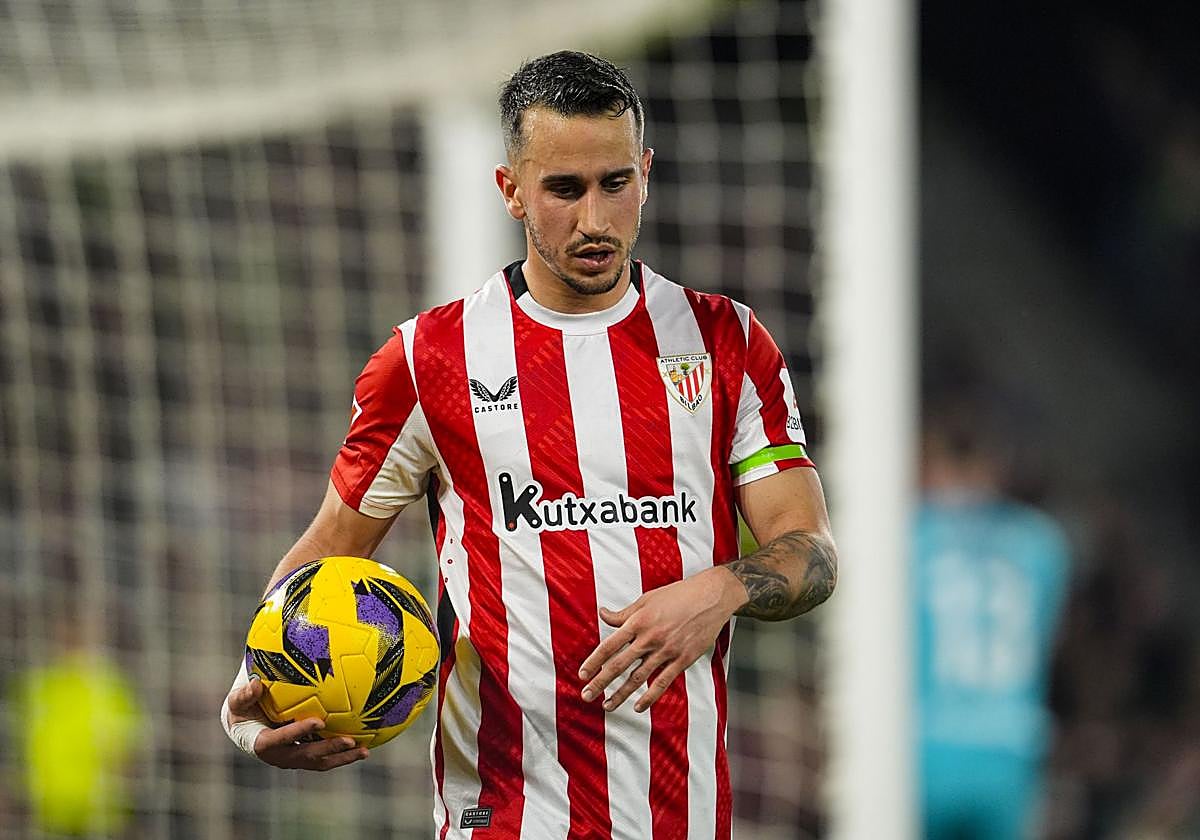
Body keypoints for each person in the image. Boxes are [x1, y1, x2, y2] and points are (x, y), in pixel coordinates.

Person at [221, 50, 837, 839]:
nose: (593, 220)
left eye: (615, 184)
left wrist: (721, 590)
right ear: (511, 190)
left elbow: (810, 552)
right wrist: (249, 701)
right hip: (501, 815)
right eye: (563, 190)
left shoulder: (726, 343)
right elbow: (330, 552)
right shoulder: (427, 360)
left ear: (645, 174)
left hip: (678, 814)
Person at [913, 397, 1071, 840]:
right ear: (997, 464)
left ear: (931, 458)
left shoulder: (909, 535)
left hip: (925, 748)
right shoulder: (1042, 543)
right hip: (1009, 750)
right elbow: (1047, 642)